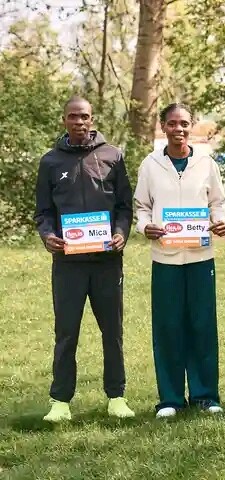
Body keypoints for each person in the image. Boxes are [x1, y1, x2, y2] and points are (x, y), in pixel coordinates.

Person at [34, 96, 135, 422]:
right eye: (73, 117)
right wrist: (48, 235)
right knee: (66, 333)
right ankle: (60, 401)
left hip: (107, 263)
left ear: (92, 119)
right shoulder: (50, 161)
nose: (79, 122)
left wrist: (121, 232)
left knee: (112, 332)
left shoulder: (112, 156)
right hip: (68, 264)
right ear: (64, 119)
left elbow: (125, 206)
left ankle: (116, 396)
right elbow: (43, 212)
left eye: (85, 117)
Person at [134, 103, 225, 418]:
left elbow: (217, 202)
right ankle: (171, 399)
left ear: (192, 125)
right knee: (168, 327)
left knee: (202, 325)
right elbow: (142, 206)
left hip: (201, 257)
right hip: (165, 258)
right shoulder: (150, 164)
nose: (179, 129)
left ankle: (205, 396)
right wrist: (144, 226)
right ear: (163, 126)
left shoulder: (206, 163)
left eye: (184, 123)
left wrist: (220, 221)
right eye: (172, 123)